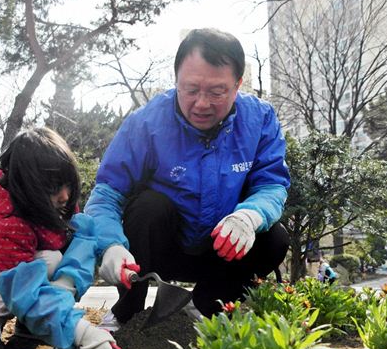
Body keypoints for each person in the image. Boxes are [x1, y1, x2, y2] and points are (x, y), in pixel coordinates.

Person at [84, 28, 291, 330]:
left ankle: (205, 307)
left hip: (222, 252)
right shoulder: (147, 123)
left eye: (217, 92)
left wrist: (250, 216)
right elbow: (106, 194)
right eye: (190, 89)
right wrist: (111, 246)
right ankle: (128, 307)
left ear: (238, 85)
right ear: (177, 80)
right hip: (158, 252)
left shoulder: (259, 119)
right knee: (148, 206)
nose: (202, 104)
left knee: (274, 237)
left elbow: (271, 184)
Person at [0, 127, 118, 349]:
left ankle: (32, 326)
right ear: (28, 186)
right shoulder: (7, 223)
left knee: (72, 238)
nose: (66, 196)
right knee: (47, 259)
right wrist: (79, 332)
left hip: (7, 284)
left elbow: (83, 242)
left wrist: (110, 252)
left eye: (67, 184)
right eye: (53, 188)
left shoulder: (54, 207)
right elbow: (23, 289)